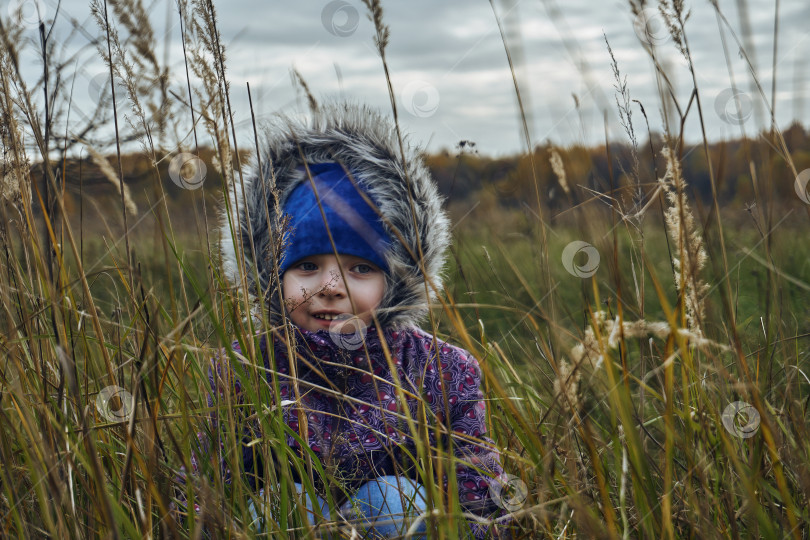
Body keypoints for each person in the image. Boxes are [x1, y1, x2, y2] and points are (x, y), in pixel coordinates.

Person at [177, 102, 506, 538]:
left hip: (398, 525)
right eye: (307, 266)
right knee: (286, 505)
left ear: (397, 279)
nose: (331, 287)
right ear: (270, 273)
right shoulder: (242, 369)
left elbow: (479, 496)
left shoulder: (442, 372)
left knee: (389, 500)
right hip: (286, 524)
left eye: (360, 269)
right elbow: (202, 489)